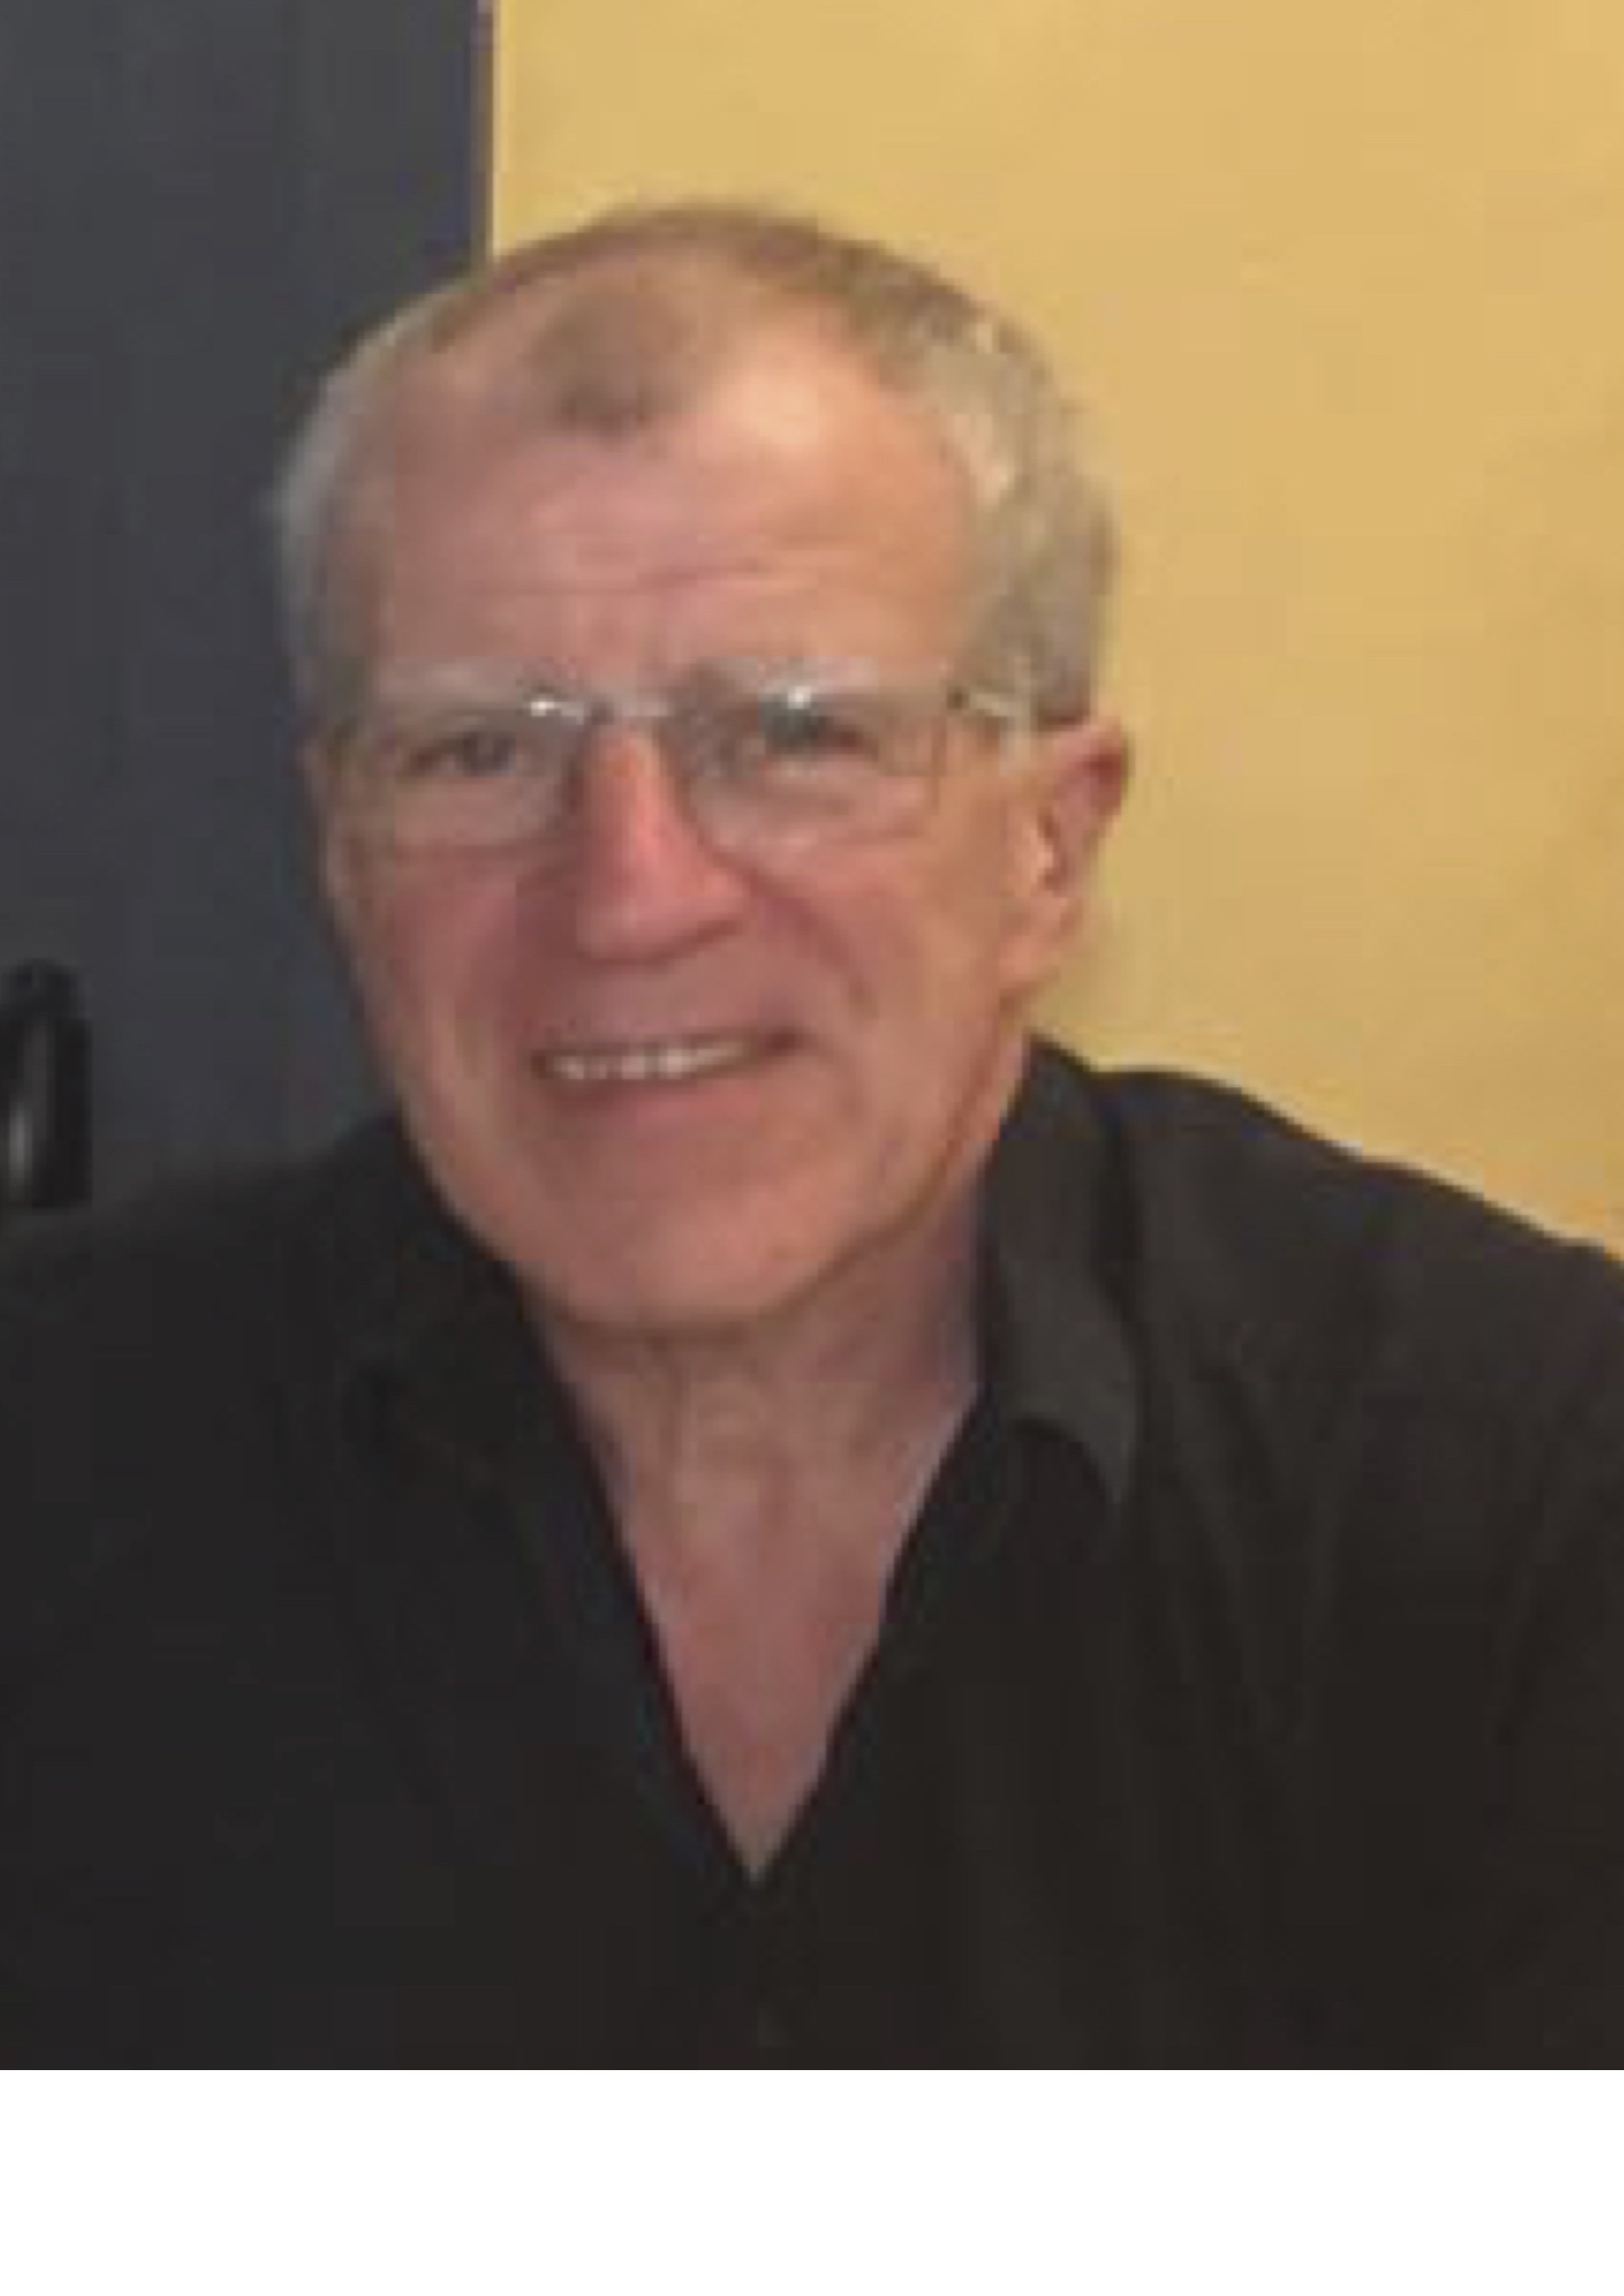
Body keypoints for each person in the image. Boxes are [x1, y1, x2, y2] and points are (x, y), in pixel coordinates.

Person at [2, 202, 1622, 2067]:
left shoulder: (1512, 1490)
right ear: (341, 856)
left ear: (1049, 846)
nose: (628, 897)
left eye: (788, 735)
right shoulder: (49, 1459)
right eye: (477, 751)